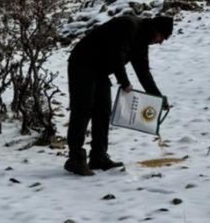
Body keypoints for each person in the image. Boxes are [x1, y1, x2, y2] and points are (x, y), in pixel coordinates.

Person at [64, 14, 173, 176]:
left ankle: (98, 156)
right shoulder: (128, 25)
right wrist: (125, 82)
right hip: (82, 63)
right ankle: (75, 159)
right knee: (83, 110)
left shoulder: (142, 42)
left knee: (103, 111)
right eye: (162, 37)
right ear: (155, 30)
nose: (161, 42)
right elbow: (116, 53)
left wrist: (157, 97)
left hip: (100, 71)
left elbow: (144, 73)